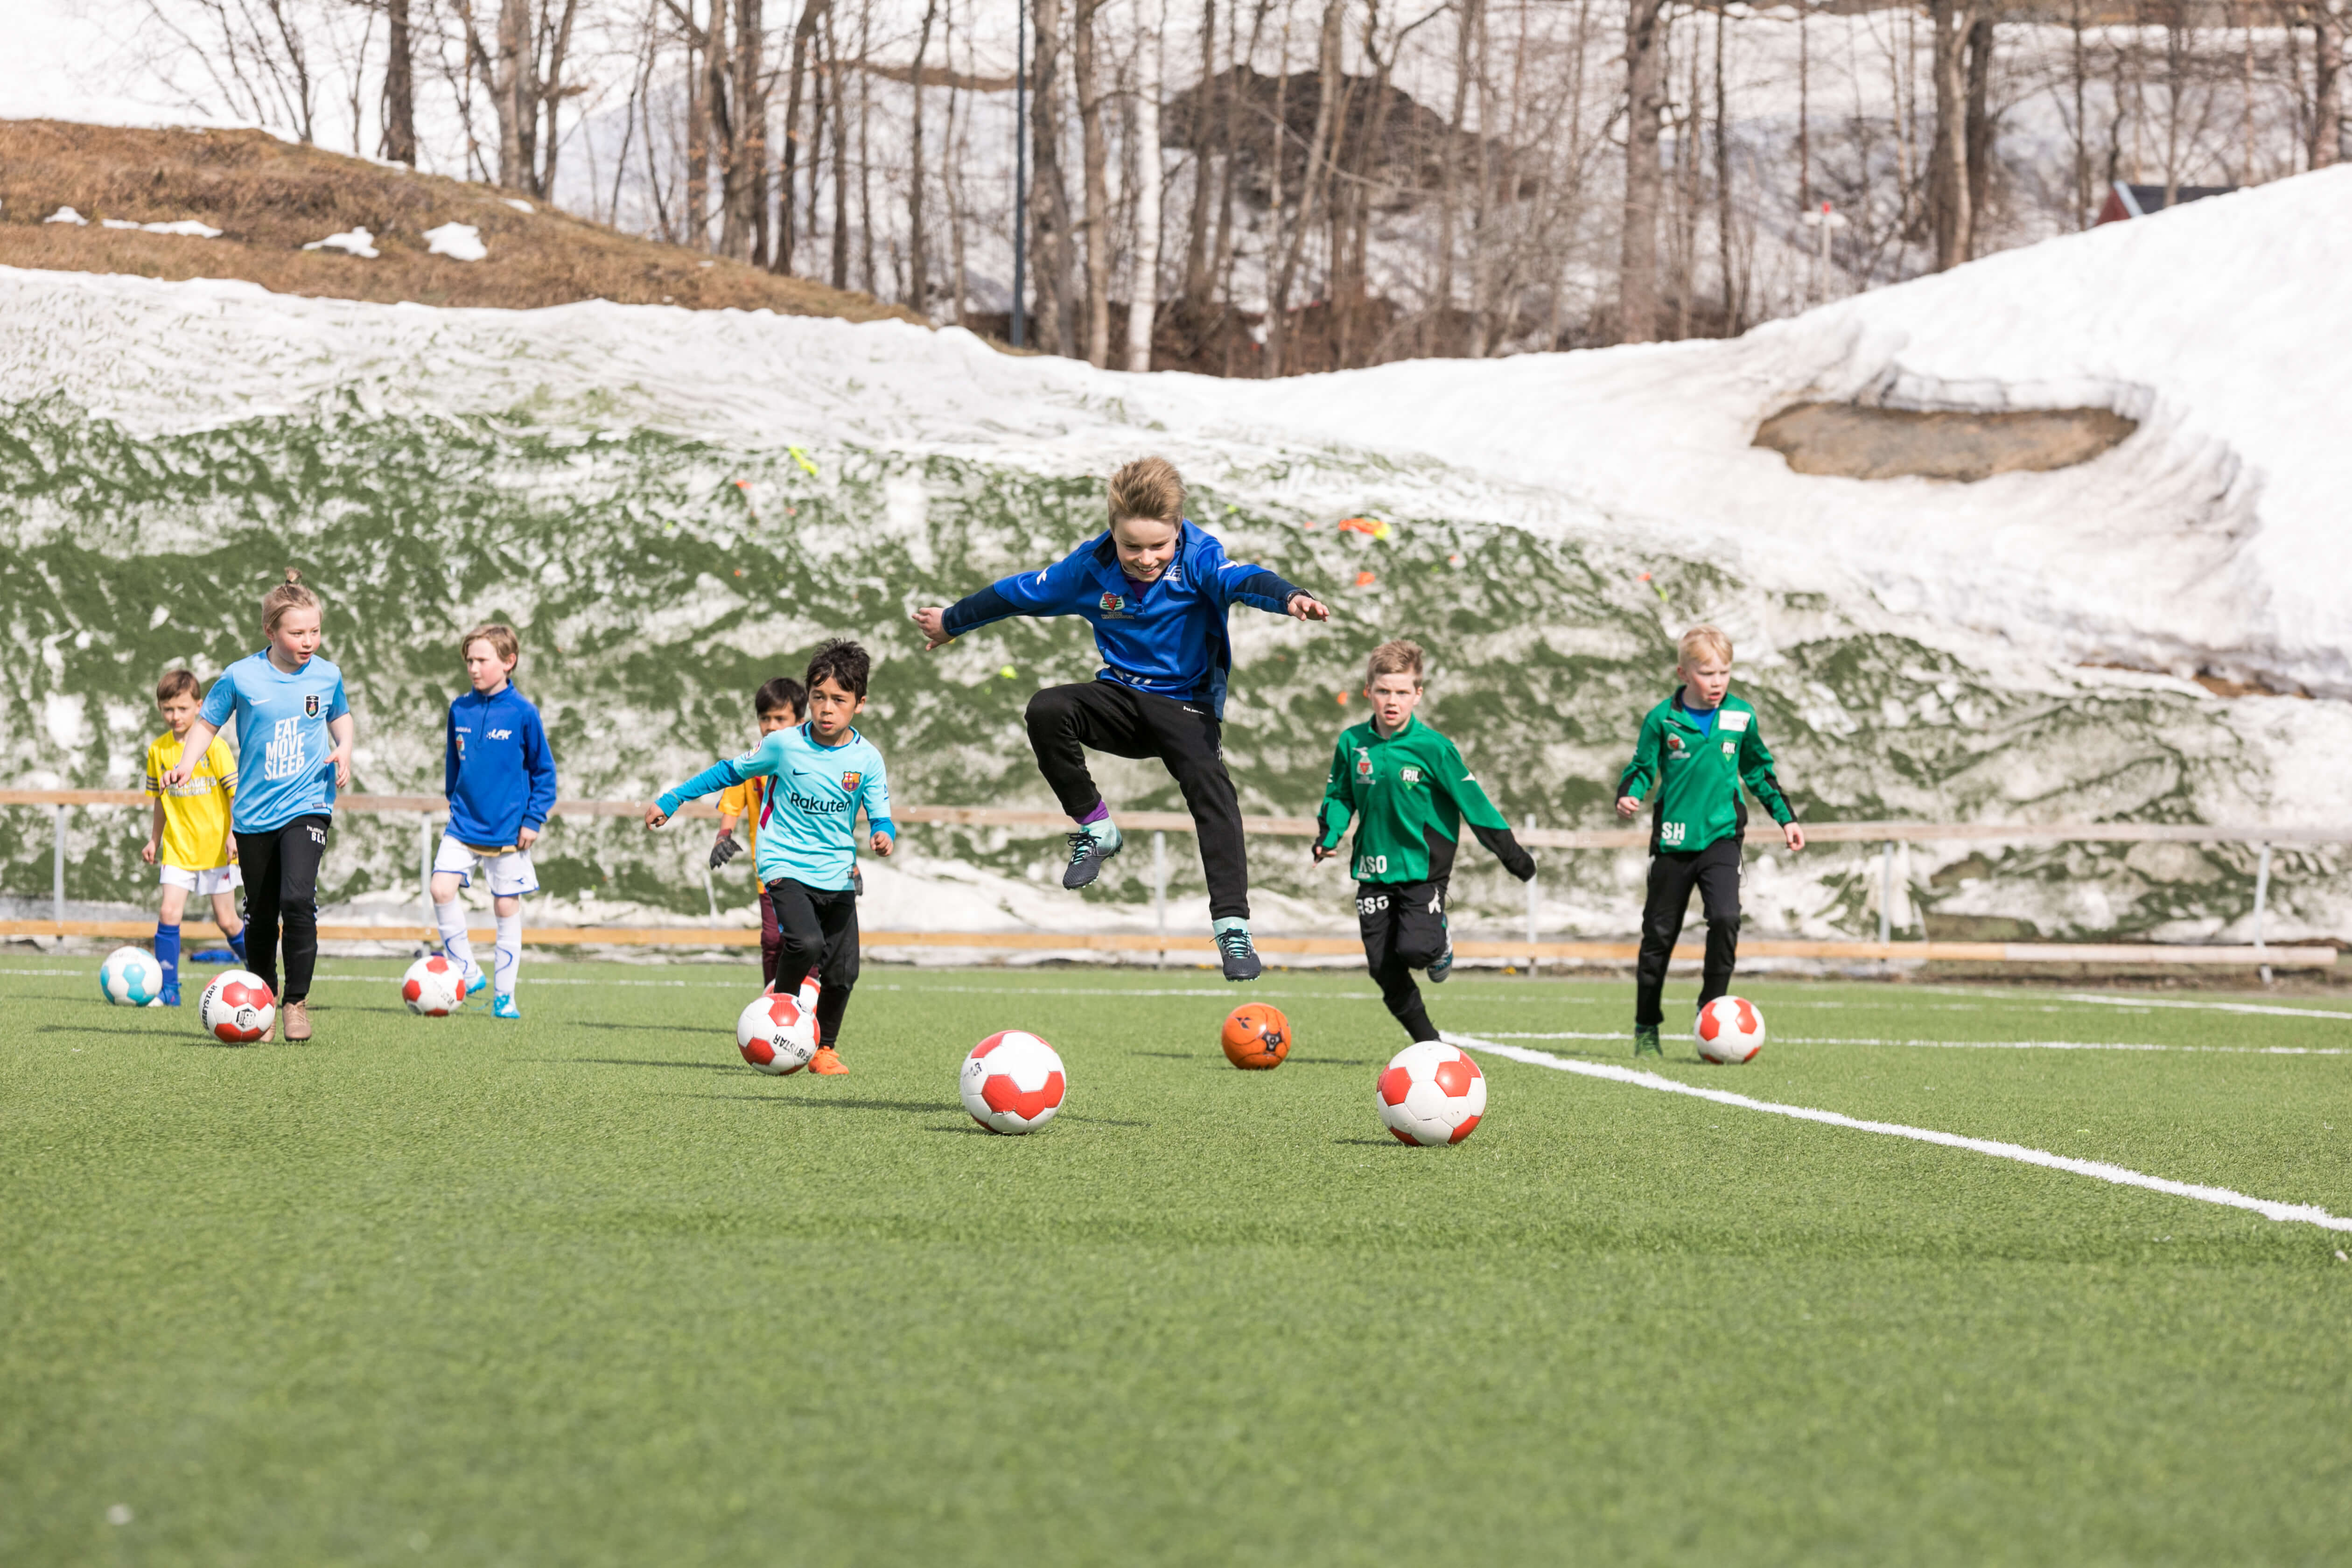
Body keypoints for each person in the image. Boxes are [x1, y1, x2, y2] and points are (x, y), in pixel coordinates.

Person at [910, 456, 1329, 982]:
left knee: (1212, 791)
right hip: (1122, 700)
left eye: (1159, 546)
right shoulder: (1089, 568)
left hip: (1186, 706)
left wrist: (1290, 596)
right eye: (1133, 547)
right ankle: (1097, 827)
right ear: (1113, 530)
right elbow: (1018, 592)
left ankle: (1232, 927)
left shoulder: (1200, 558)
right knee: (1047, 708)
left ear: (1178, 529)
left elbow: (1243, 580)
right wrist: (952, 621)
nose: (1146, 559)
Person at [646, 640, 893, 1076]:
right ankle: (776, 1014)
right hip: (784, 862)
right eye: (818, 697)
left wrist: (882, 834)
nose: (827, 709)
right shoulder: (783, 745)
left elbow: (881, 814)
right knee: (805, 943)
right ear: (808, 696)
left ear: (860, 703)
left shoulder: (868, 759)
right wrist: (673, 798)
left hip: (836, 871)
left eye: (839, 700)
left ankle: (824, 1049)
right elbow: (728, 772)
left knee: (843, 972)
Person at [163, 570, 353, 1043]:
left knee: (297, 899)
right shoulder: (240, 676)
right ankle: (263, 999)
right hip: (254, 813)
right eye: (297, 633)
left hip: (309, 802)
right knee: (262, 913)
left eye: (315, 631)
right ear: (270, 631)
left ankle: (296, 1003)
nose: (308, 641)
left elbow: (341, 716)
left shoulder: (327, 674)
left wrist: (345, 748)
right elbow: (207, 724)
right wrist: (186, 765)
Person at [1314, 639, 1535, 1044]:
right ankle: (1428, 1043)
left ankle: (1440, 941)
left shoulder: (1435, 748)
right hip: (1373, 869)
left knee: (1416, 950)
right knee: (1382, 967)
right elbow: (1341, 796)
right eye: (1383, 691)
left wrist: (1513, 856)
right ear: (1368, 691)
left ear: (1418, 694)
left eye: (1402, 692)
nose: (1392, 701)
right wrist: (1328, 836)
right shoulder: (1352, 742)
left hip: (1424, 870)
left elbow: (1475, 804)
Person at [1614, 624, 1805, 1058]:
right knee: (1659, 936)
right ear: (1683, 673)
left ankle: (1711, 1011)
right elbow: (1641, 767)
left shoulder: (1742, 716)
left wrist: (1787, 819)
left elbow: (1759, 771)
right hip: (1673, 842)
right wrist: (1629, 794)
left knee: (1725, 917)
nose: (1717, 682)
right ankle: (1647, 1026)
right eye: (1707, 674)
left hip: (1722, 839)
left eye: (1724, 672)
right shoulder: (1662, 718)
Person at [432, 624, 559, 1020]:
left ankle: (505, 997)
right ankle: (468, 971)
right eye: (469, 660)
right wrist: (453, 798)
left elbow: (545, 772)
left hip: (508, 830)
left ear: (508, 662)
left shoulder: (523, 713)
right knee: (440, 888)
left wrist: (533, 820)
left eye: (482, 660)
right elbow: (453, 764)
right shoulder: (459, 709)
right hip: (463, 824)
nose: (473, 668)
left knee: (505, 907)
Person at [141, 668, 248, 1006]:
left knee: (227, 921)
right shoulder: (158, 751)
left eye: (183, 708)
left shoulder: (214, 747)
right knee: (169, 914)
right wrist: (155, 840)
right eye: (168, 709)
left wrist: (233, 835)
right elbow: (160, 801)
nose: (175, 716)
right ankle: (169, 990)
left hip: (217, 849)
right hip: (178, 849)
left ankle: (262, 973)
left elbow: (234, 795)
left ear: (199, 706)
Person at [710, 676, 806, 991]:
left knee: (808, 941)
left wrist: (851, 864)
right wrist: (724, 835)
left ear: (799, 721)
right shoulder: (752, 762)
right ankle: (774, 999)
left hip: (812, 867)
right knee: (773, 939)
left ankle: (811, 1001)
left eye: (780, 718)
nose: (771, 726)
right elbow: (733, 801)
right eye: (765, 718)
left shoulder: (813, 762)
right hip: (769, 867)